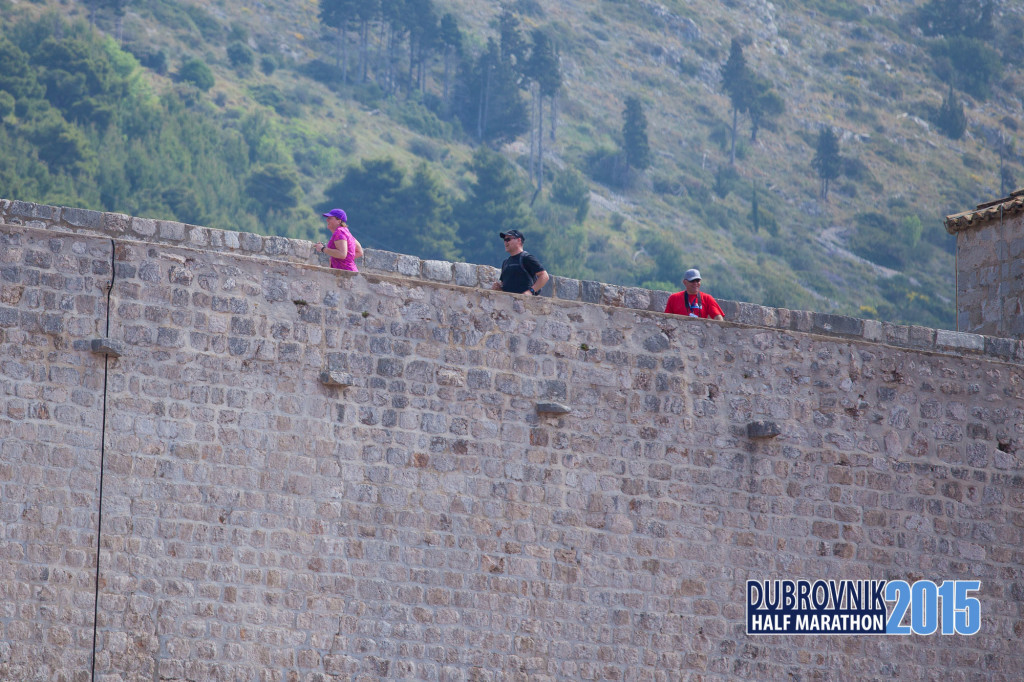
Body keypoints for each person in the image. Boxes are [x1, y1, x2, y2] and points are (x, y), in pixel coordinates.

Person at [490, 229, 550, 296]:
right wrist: (499, 288)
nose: (505, 242)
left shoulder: (527, 258)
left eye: (508, 239)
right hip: (508, 301)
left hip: (525, 301)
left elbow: (544, 276)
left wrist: (531, 291)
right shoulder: (506, 262)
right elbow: (505, 284)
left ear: (519, 240)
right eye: (504, 240)